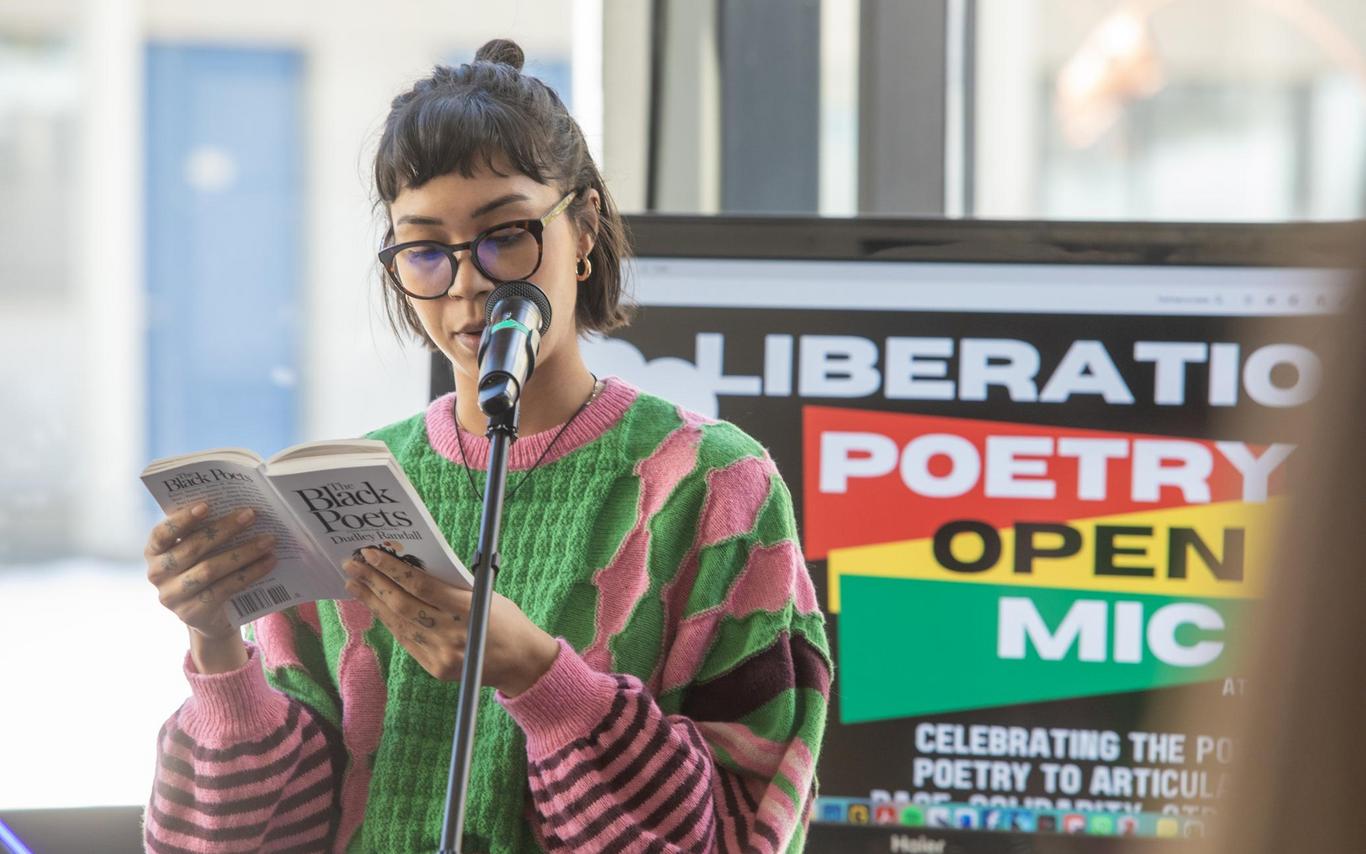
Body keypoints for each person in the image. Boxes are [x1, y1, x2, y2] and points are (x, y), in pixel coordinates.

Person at [139, 38, 831, 854]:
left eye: (506, 235)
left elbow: (743, 832)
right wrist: (219, 650)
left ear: (583, 228)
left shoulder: (714, 486)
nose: (467, 283)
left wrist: (539, 677)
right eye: (424, 250)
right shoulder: (344, 492)